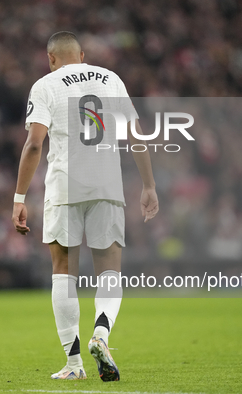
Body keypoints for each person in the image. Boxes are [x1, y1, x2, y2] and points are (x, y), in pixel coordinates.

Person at [12, 31, 158, 381]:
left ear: (51, 58)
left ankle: (74, 364)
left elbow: (34, 145)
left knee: (63, 269)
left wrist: (18, 197)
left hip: (64, 188)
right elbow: (136, 135)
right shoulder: (111, 79)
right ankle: (102, 334)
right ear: (82, 55)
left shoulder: (45, 86)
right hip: (107, 185)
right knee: (109, 269)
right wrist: (149, 185)